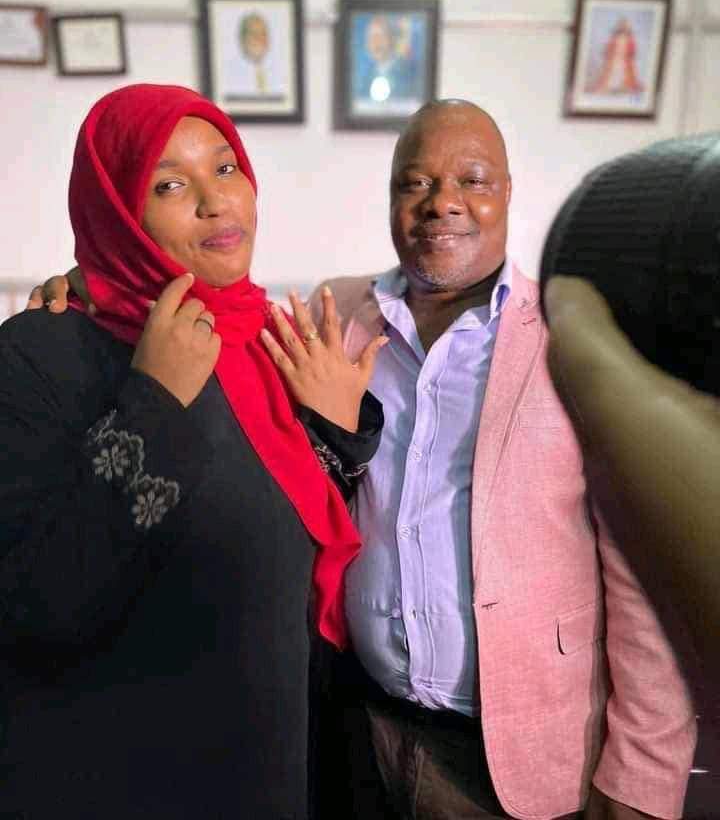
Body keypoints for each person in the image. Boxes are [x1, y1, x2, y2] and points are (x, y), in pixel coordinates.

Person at [29, 99, 698, 820]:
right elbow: (192, 302)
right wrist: (91, 282)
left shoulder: (578, 341)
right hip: (355, 738)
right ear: (390, 198)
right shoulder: (330, 320)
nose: (443, 202)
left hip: (523, 764)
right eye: (416, 182)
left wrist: (641, 779)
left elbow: (649, 575)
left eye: (473, 180)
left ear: (508, 192)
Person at [1, 83, 386, 819]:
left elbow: (273, 539)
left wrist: (334, 434)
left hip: (263, 766)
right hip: (120, 778)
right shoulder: (40, 354)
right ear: (117, 210)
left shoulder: (268, 341)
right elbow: (40, 605)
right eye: (170, 184)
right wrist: (151, 401)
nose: (216, 202)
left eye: (226, 168)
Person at [543, 275, 720, 677]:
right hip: (391, 700)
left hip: (554, 699)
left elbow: (637, 572)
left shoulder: (575, 328)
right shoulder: (375, 323)